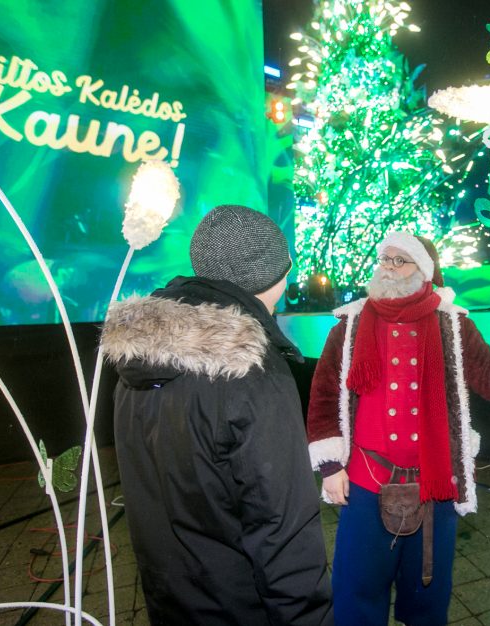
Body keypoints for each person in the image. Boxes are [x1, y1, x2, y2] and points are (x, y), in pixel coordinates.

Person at [101, 205, 333, 626]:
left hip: (170, 599)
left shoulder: (137, 359)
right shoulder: (253, 371)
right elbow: (283, 529)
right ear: (278, 275)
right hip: (241, 607)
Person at [306, 231, 490, 625]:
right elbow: (324, 395)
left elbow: (489, 382)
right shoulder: (350, 326)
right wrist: (330, 466)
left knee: (427, 602)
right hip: (364, 483)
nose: (390, 269)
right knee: (356, 596)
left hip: (435, 487)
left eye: (400, 261)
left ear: (424, 271)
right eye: (385, 260)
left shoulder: (453, 324)